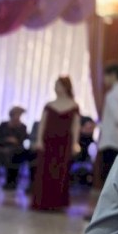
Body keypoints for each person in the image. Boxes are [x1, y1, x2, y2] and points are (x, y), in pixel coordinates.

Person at [31, 76, 80, 211]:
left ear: (65, 87)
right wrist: (39, 140)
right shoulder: (49, 105)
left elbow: (75, 126)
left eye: (58, 85)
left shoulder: (74, 106)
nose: (56, 88)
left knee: (61, 171)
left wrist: (75, 143)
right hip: (49, 141)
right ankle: (43, 201)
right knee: (45, 171)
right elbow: (42, 124)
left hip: (64, 143)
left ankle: (57, 202)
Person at [0, 106, 29, 190]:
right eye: (17, 115)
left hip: (15, 150)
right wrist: (7, 140)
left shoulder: (23, 127)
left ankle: (11, 182)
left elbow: (21, 140)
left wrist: (14, 141)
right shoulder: (3, 125)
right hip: (2, 148)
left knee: (15, 156)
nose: (18, 117)